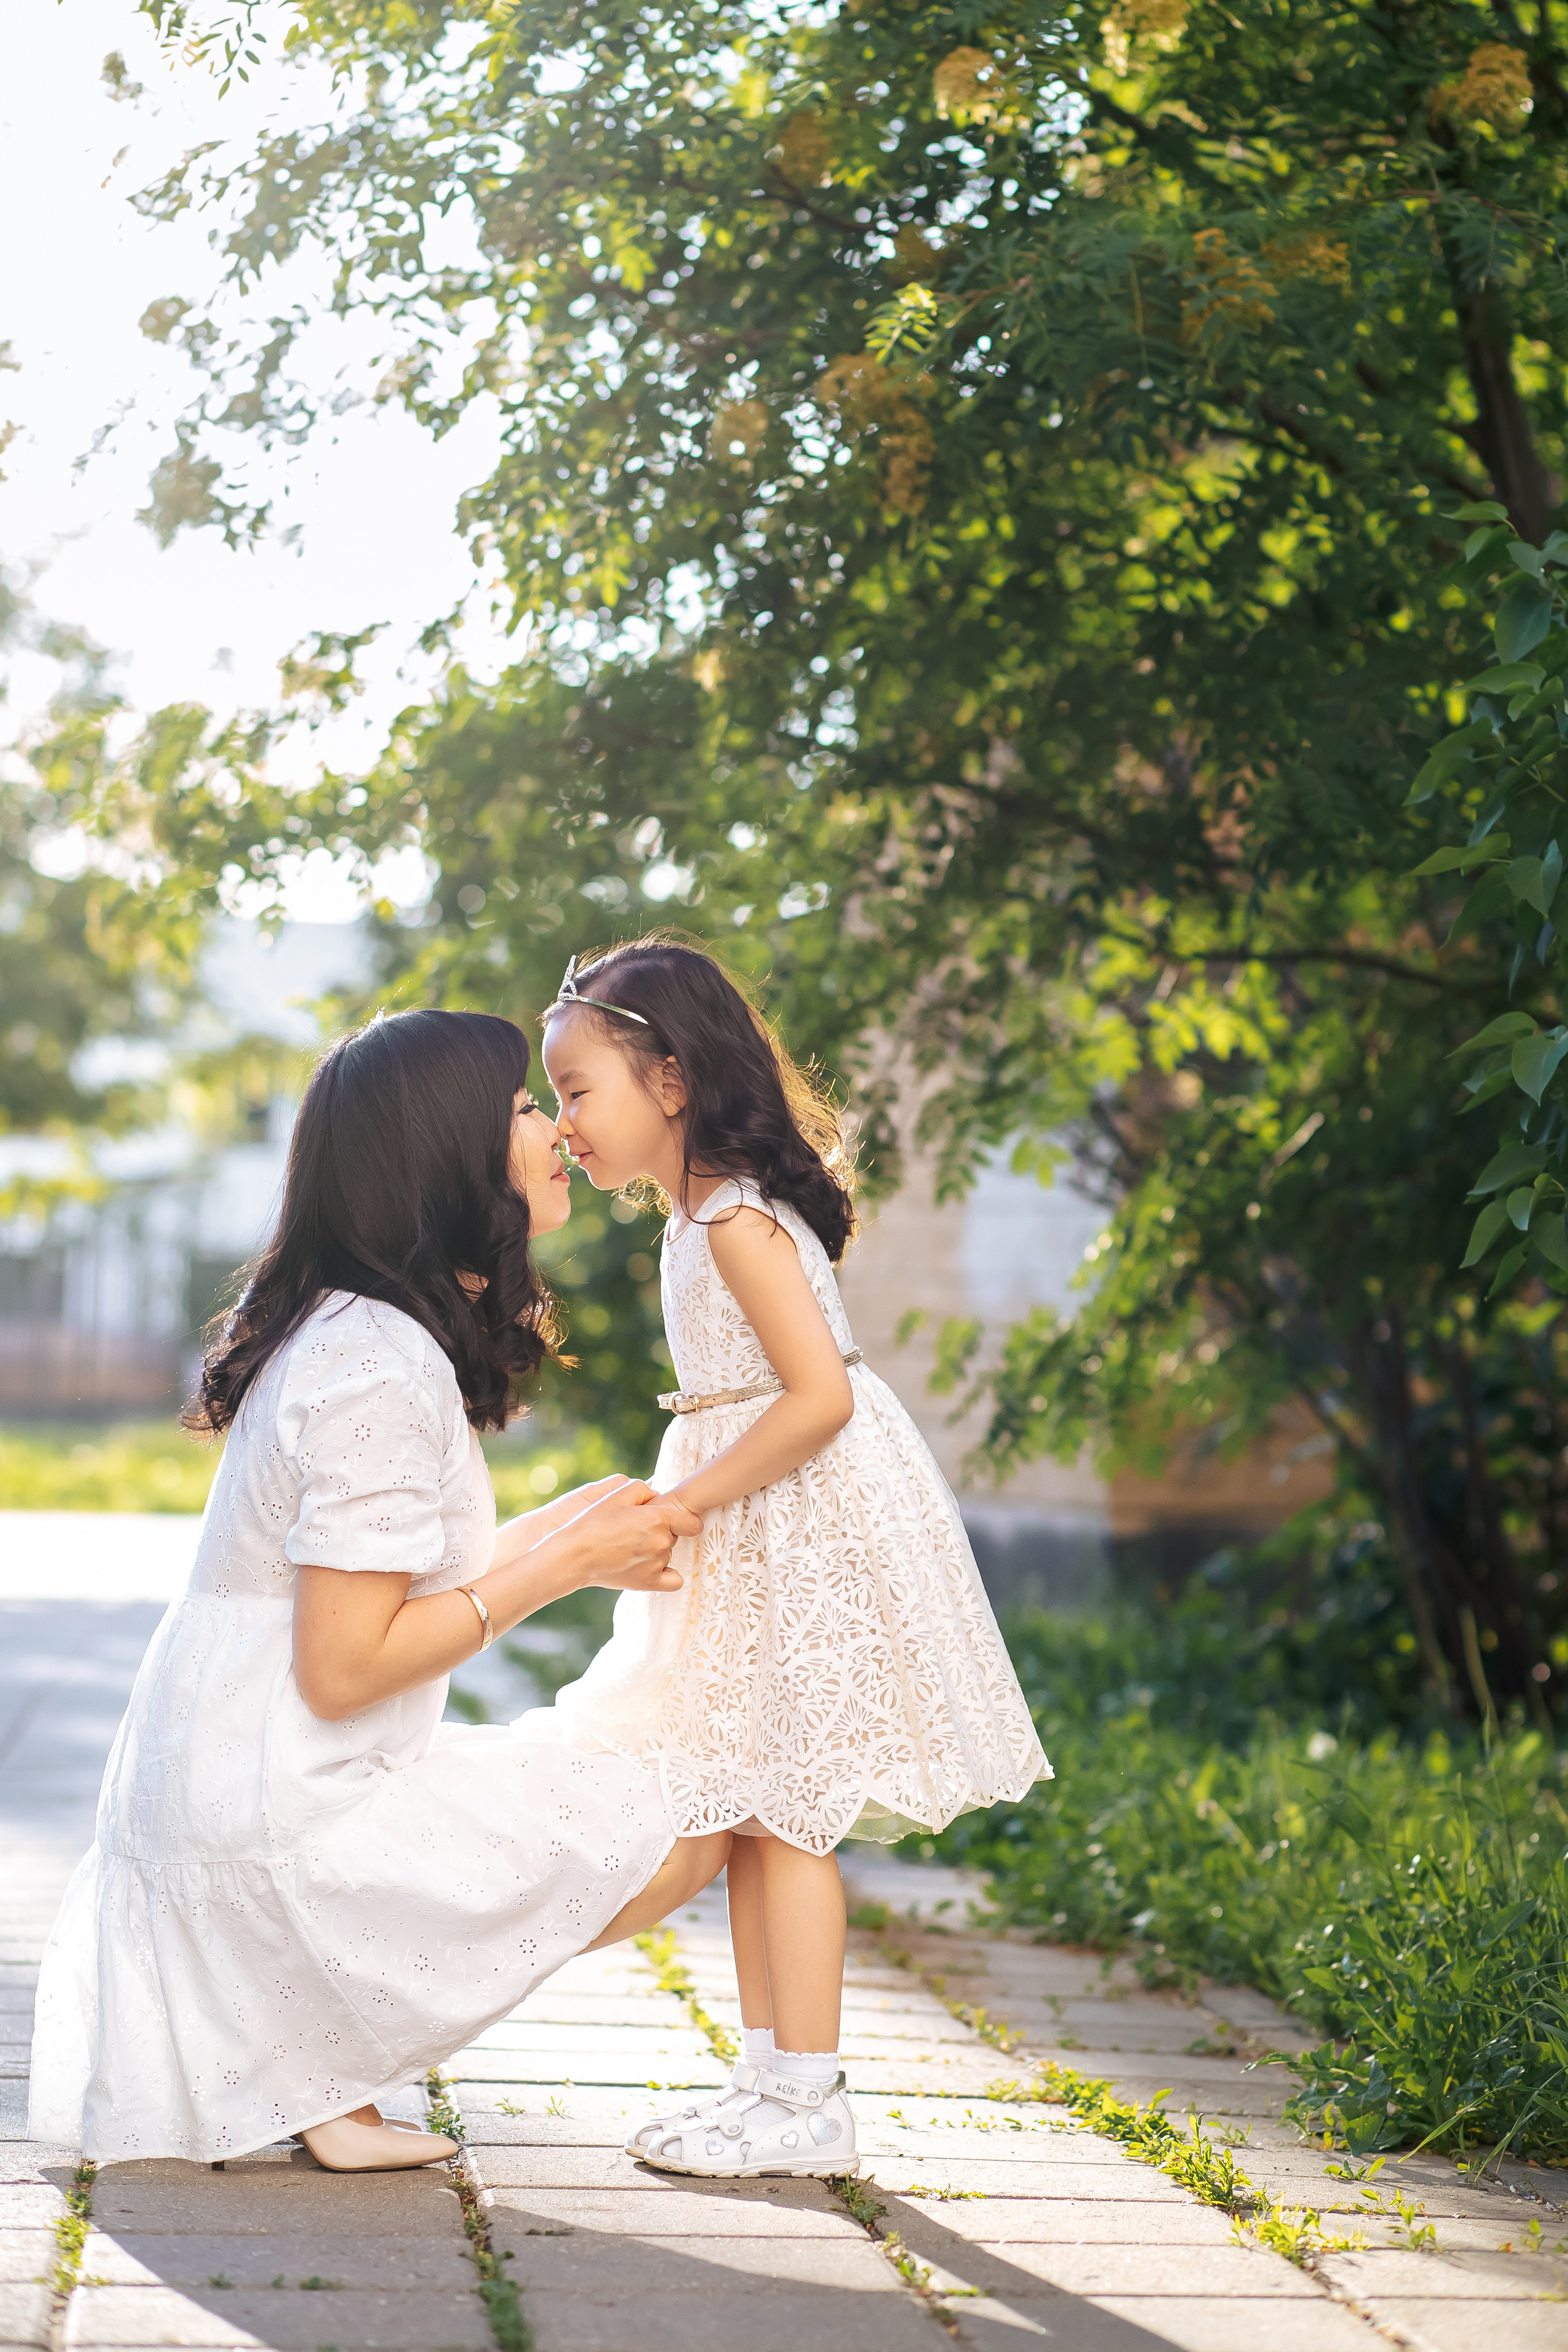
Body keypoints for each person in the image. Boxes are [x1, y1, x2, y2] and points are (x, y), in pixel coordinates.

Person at [28, 1009, 728, 2173]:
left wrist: (576, 1528)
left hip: (243, 1791)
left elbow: (392, 1579)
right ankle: (315, 2055)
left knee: (646, 1803)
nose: (557, 1130)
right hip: (279, 1830)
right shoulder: (376, 1367)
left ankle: (316, 2073)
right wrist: (566, 1564)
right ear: (448, 1156)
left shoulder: (357, 1331)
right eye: (524, 1108)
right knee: (690, 1823)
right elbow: (346, 1667)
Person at [521, 937, 1050, 2180]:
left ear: (669, 1079)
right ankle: (767, 2084)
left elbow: (817, 1399)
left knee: (790, 1812)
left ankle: (808, 2097)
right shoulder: (694, 1219)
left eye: (577, 1090)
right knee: (756, 1807)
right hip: (759, 1514)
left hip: (800, 1520)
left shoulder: (735, 1223)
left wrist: (682, 1504)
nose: (563, 1124)